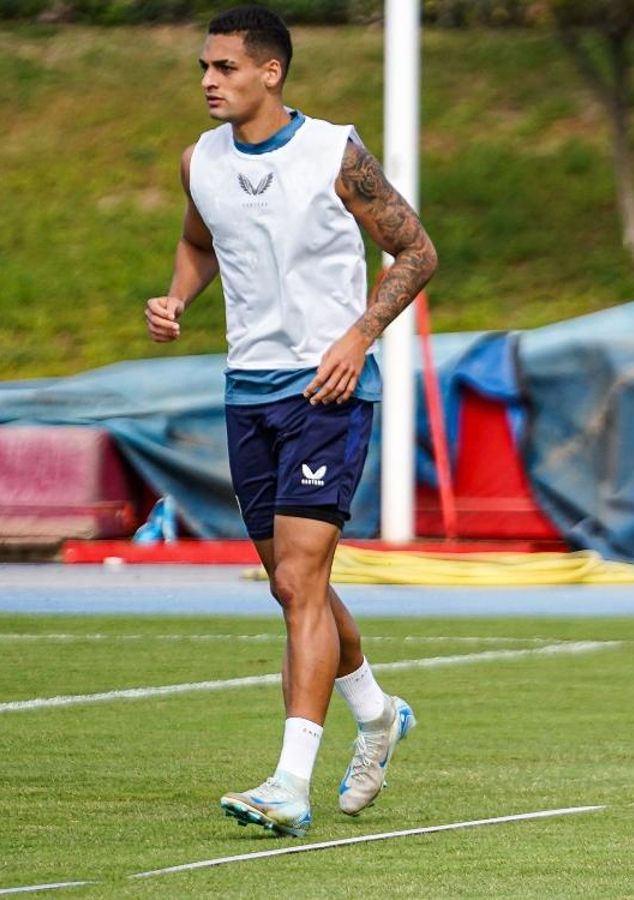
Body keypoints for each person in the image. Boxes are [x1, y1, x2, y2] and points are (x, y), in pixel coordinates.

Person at [145, 5, 437, 837]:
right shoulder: (198, 160)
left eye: (226, 67)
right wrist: (177, 297)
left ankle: (288, 781)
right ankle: (378, 713)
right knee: (288, 584)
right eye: (205, 67)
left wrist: (357, 335)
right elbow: (199, 245)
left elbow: (416, 251)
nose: (209, 80)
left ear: (270, 73)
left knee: (301, 581)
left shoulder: (333, 151)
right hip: (248, 393)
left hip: (328, 394)